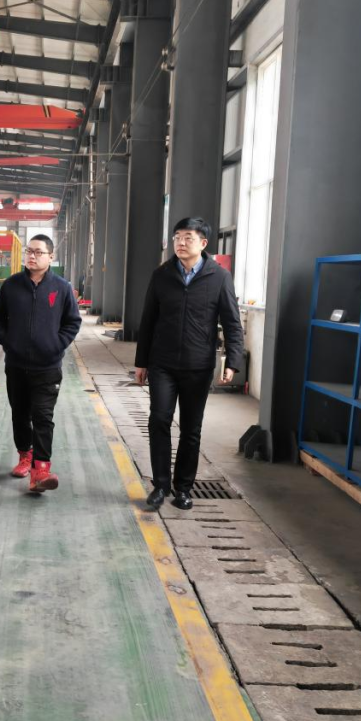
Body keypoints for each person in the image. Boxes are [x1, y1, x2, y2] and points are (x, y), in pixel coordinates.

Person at [134, 217, 244, 511]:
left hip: (198, 365)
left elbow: (232, 323)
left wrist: (232, 361)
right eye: (177, 238)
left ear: (203, 243)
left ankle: (183, 488)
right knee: (159, 420)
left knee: (191, 429)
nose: (180, 243)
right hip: (162, 363)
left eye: (188, 238)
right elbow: (148, 320)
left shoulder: (219, 277)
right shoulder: (161, 275)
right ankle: (160, 485)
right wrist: (141, 362)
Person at [0, 234, 82, 492]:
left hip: (47, 367)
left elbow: (73, 321)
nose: (32, 256)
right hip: (16, 365)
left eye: (38, 252)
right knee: (20, 413)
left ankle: (40, 470)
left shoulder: (61, 288)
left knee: (43, 416)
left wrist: (56, 345)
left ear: (50, 257)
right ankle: (25, 455)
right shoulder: (11, 285)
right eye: (29, 251)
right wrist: (8, 341)